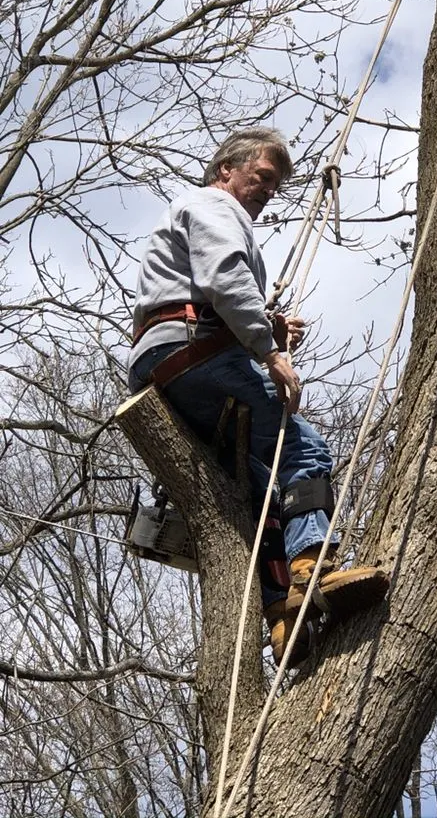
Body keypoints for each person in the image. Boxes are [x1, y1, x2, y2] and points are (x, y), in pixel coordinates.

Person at [128, 127, 389, 666]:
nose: (267, 191)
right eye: (262, 178)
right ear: (227, 169)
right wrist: (270, 350)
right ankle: (312, 564)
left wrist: (265, 326)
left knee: (260, 491)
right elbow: (225, 278)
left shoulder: (202, 218)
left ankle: (281, 614)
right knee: (305, 450)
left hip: (174, 360)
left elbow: (212, 292)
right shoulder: (212, 205)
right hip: (190, 355)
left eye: (275, 185)